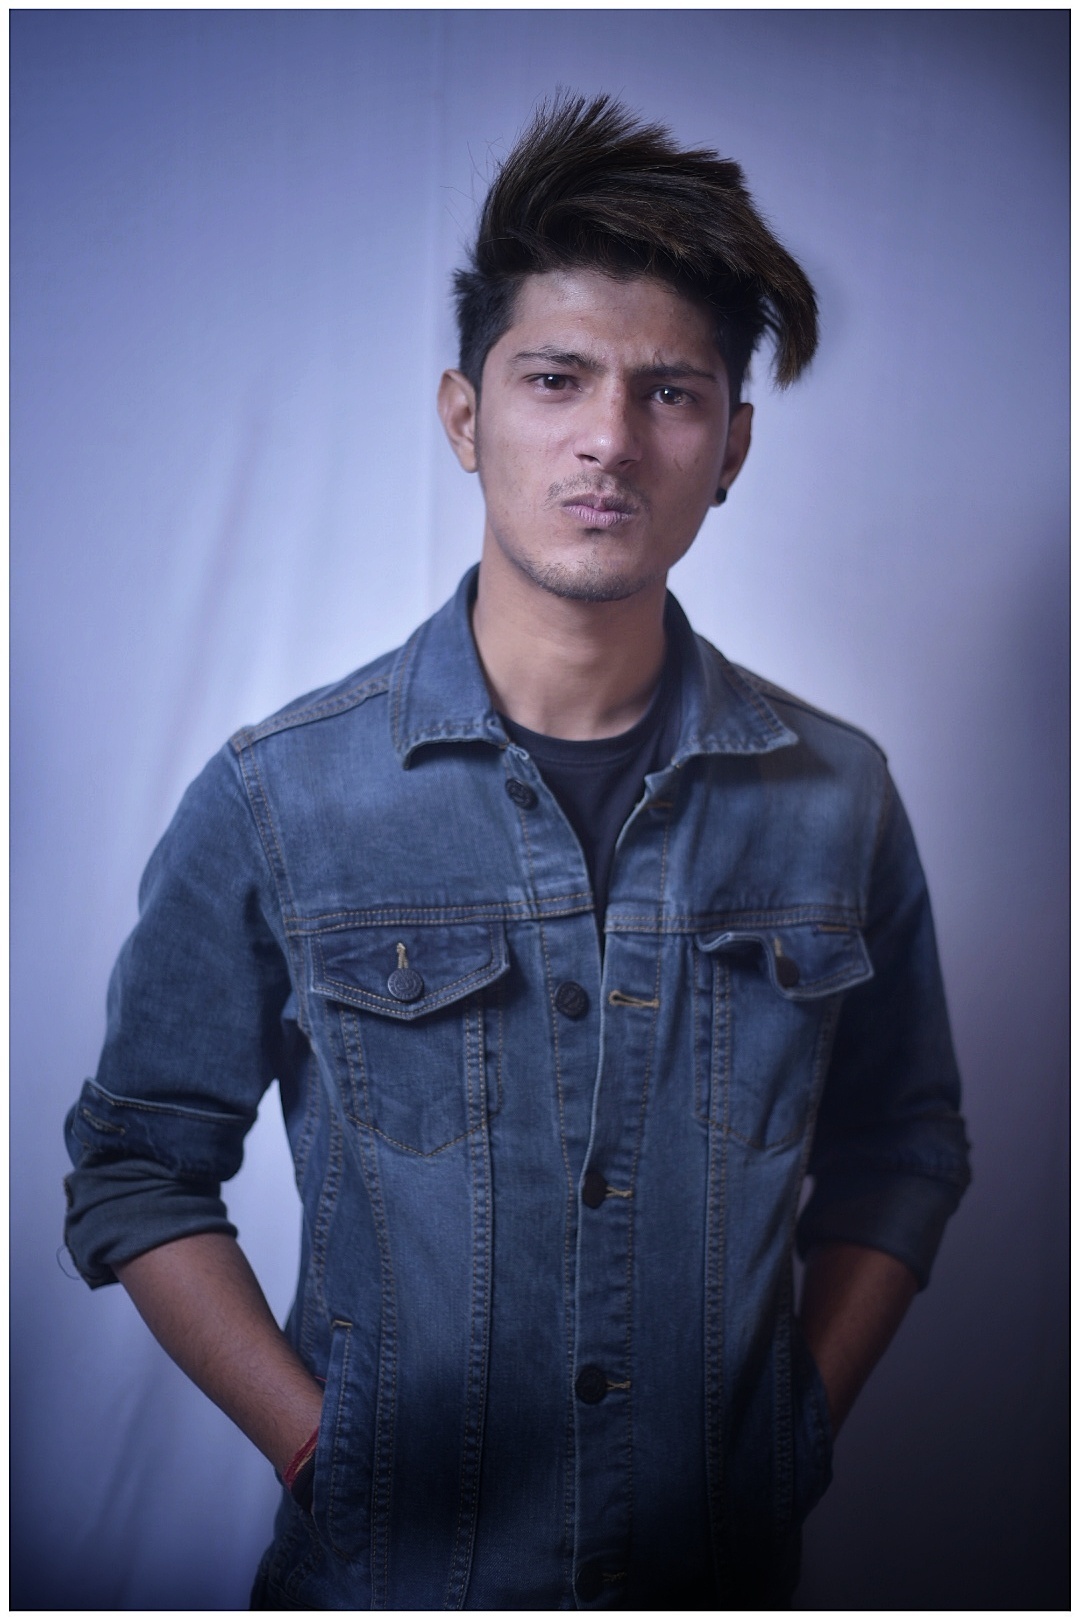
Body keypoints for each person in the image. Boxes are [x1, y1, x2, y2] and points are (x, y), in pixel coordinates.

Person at [63, 94, 971, 1610]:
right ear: (464, 416)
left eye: (671, 392)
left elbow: (905, 1145)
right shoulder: (281, 797)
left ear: (733, 446)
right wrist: (315, 1451)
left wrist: (797, 1428)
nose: (610, 439)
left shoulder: (839, 798)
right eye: (556, 379)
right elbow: (135, 1167)